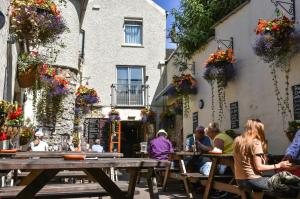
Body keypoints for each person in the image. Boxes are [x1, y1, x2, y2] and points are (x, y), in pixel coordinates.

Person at [233, 119, 292, 192]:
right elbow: (259, 167)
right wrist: (279, 165)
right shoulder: (255, 142)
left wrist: (264, 158)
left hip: (240, 181)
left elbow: (247, 162)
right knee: (290, 186)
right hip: (253, 180)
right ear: (259, 130)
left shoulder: (237, 140)